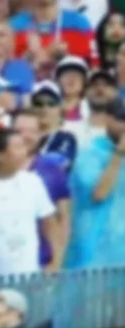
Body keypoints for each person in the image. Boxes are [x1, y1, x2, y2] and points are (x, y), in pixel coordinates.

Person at [0, 129, 60, 275]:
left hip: (27, 275)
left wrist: (55, 262)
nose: (24, 152)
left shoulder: (33, 182)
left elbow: (50, 223)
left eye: (23, 146)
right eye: (17, 147)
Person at [67, 98, 125, 269]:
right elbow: (99, 194)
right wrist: (119, 154)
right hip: (92, 256)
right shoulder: (89, 153)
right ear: (107, 118)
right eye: (121, 119)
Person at [13, 111, 71, 268]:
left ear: (40, 134)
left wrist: (57, 261)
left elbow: (64, 218)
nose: (26, 136)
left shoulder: (52, 170)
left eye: (32, 131)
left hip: (42, 261)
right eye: (19, 131)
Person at [31, 80, 78, 168]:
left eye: (51, 104)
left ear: (60, 107)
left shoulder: (66, 138)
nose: (44, 109)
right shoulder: (21, 135)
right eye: (38, 104)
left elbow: (55, 166)